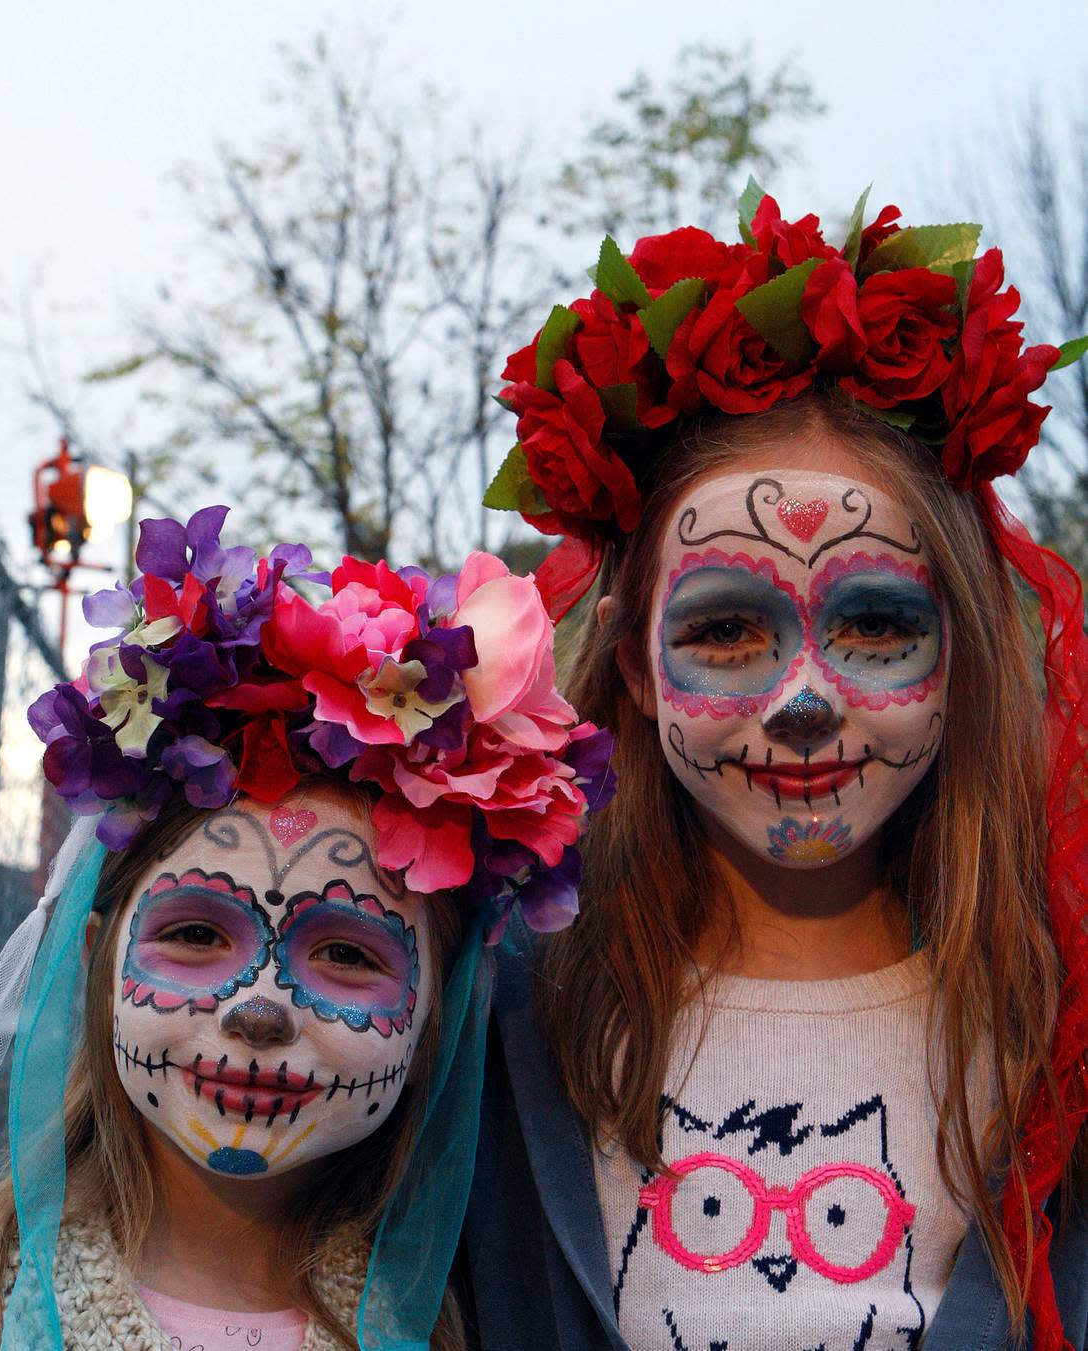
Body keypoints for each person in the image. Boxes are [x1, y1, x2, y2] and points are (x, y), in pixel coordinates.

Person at [465, 187, 1088, 1350]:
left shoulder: (1060, 1033)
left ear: (961, 659)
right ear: (639, 670)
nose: (804, 700)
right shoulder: (495, 1024)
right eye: (725, 631)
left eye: (874, 626)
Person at [0, 510, 613, 1351]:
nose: (258, 1011)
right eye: (194, 934)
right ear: (96, 965)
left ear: (431, 1024)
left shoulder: (474, 1331)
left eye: (345, 952)